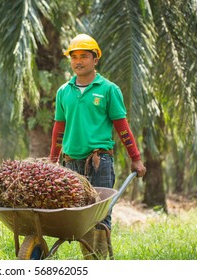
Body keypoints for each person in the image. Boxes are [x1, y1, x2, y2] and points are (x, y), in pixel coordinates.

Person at [49, 34, 146, 259]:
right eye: (74, 57)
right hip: (71, 163)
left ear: (95, 59)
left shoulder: (108, 89)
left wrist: (136, 157)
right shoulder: (64, 91)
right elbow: (59, 129)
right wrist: (53, 159)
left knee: (101, 214)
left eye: (84, 56)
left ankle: (100, 263)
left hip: (100, 161)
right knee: (78, 216)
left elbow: (122, 127)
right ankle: (89, 262)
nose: (78, 61)